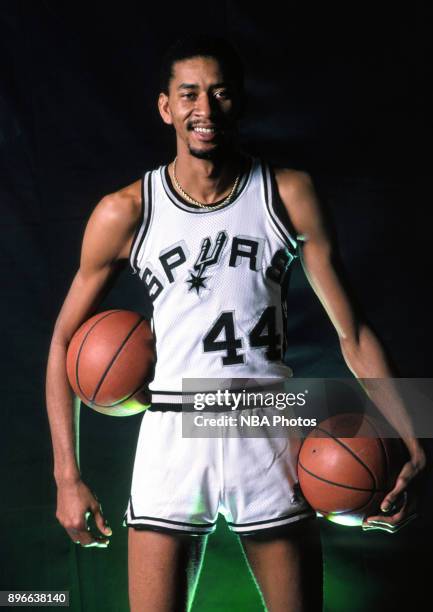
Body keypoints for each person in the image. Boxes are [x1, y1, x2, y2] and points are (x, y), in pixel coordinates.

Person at [46, 35, 426, 611]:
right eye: (189, 94)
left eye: (220, 93)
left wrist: (415, 439)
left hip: (265, 423)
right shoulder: (127, 211)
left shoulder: (287, 193)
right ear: (166, 107)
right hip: (174, 426)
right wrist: (66, 477)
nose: (205, 108)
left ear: (238, 102)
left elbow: (354, 333)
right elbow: (61, 343)